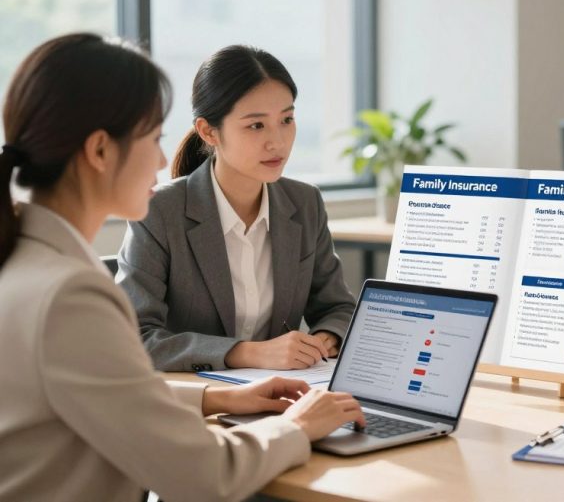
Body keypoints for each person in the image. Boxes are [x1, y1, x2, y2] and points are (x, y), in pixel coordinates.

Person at [0, 33, 365, 501]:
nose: (160, 160)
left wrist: (218, 397)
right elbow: (203, 474)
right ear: (99, 151)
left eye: (287, 119)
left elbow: (105, 395)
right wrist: (297, 427)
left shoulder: (26, 263)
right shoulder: (69, 295)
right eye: (152, 138)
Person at [117, 45, 357, 372]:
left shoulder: (304, 203)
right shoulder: (160, 211)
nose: (278, 142)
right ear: (208, 131)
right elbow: (135, 338)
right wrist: (247, 353)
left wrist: (327, 336)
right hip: (195, 399)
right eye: (256, 125)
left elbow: (337, 307)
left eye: (287, 119)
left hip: (283, 393)